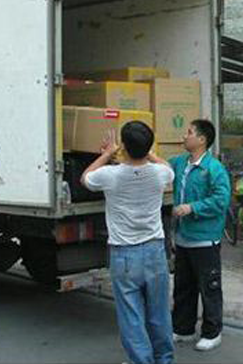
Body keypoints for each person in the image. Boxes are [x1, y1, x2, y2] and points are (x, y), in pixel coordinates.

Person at [82, 121, 175, 364]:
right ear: (149, 145)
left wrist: (107, 154)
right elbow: (168, 168)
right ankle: (164, 359)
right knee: (159, 312)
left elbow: (85, 178)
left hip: (124, 255)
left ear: (124, 146)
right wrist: (149, 153)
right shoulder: (159, 173)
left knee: (131, 315)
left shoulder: (110, 175)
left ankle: (142, 361)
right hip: (155, 251)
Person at [169, 119, 231, 351]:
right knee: (183, 286)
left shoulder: (213, 169)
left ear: (202, 139)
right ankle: (183, 328)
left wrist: (191, 208)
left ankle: (212, 332)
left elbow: (221, 200)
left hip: (205, 239)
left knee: (209, 287)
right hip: (183, 237)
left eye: (190, 132)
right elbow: (161, 167)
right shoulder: (180, 162)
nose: (185, 136)